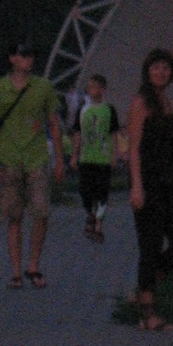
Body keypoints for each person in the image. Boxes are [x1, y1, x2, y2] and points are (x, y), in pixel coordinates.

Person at [0, 42, 63, 290]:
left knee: (41, 212)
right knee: (13, 216)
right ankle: (16, 271)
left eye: (31, 55)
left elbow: (54, 123)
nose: (29, 59)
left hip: (36, 157)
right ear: (12, 58)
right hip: (8, 159)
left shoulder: (43, 87)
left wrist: (60, 159)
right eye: (24, 55)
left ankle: (33, 265)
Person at [127, 46, 173, 332]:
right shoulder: (140, 102)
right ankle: (148, 312)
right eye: (156, 67)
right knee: (151, 245)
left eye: (166, 68)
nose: (161, 72)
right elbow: (133, 148)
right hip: (149, 183)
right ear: (147, 71)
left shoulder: (168, 103)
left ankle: (145, 287)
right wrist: (136, 187)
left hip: (172, 184)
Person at [72, 73, 118, 242]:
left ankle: (98, 224)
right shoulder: (82, 110)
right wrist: (74, 155)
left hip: (103, 158)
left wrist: (115, 155)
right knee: (85, 190)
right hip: (86, 157)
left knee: (102, 191)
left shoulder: (109, 110)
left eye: (95, 87)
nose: (92, 90)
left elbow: (113, 134)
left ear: (103, 89)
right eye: (90, 87)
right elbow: (77, 133)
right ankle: (90, 214)